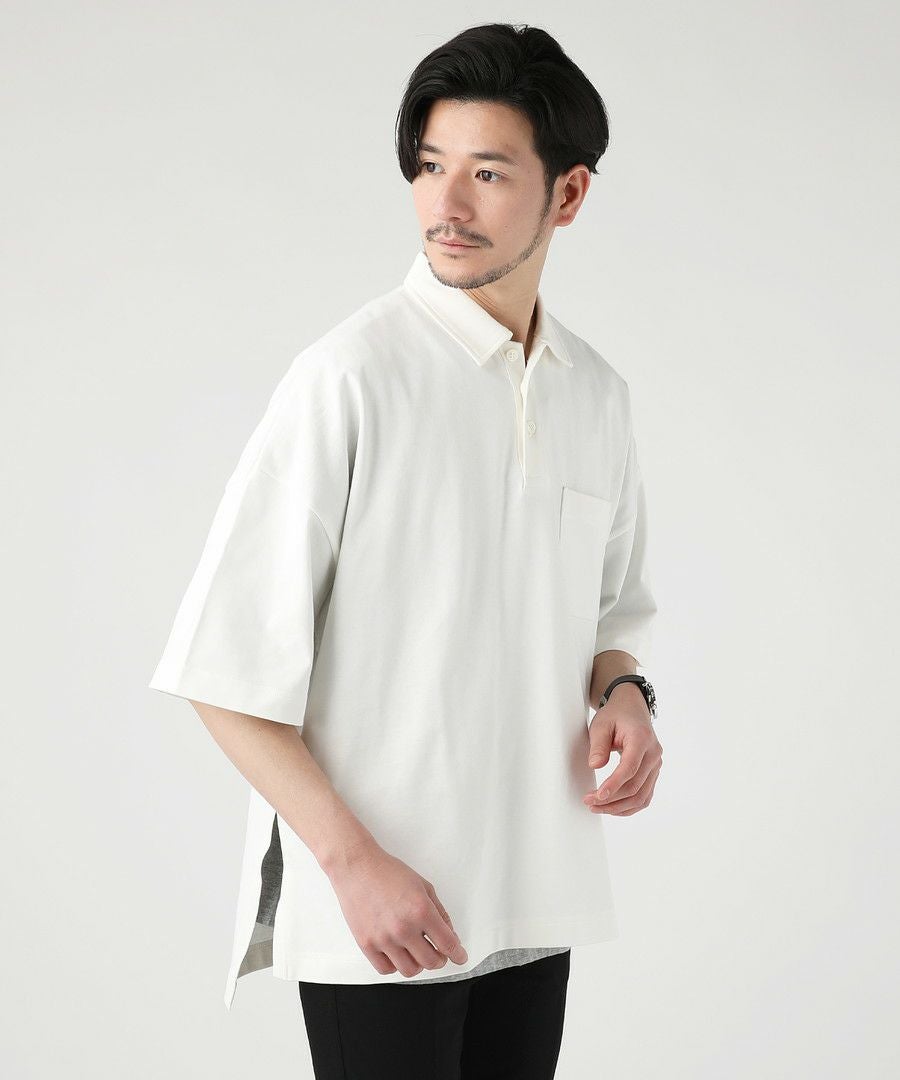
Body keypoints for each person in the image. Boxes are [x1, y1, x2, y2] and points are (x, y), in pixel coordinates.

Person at [149, 21, 662, 1080]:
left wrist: (626, 693)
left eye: (488, 173)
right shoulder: (350, 378)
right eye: (430, 168)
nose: (447, 205)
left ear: (568, 194)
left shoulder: (597, 396)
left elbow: (611, 613)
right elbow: (222, 671)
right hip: (380, 914)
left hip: (533, 899)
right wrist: (353, 865)